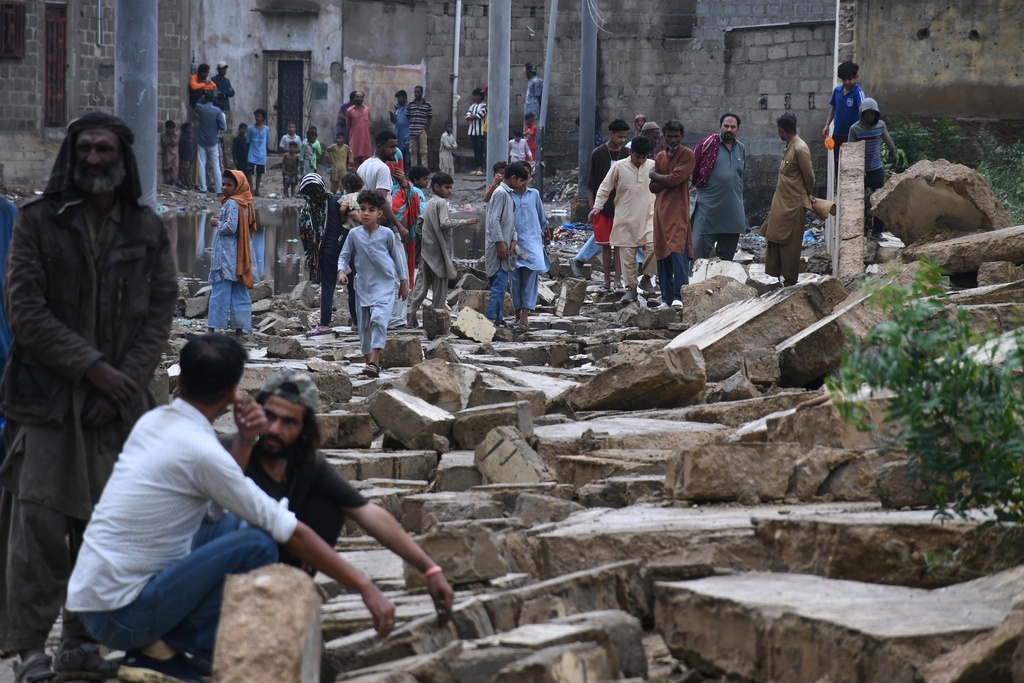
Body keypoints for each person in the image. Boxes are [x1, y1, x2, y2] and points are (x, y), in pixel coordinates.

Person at [65, 335, 410, 683]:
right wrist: (365, 587)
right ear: (233, 393)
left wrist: (245, 440)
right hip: (120, 616)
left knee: (235, 527)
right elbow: (288, 529)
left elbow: (215, 511)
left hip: (92, 599)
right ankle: (197, 646)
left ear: (180, 379)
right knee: (258, 543)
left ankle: (162, 649)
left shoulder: (155, 422)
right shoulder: (203, 451)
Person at [0, 112, 178, 683]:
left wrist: (123, 381)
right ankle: (28, 648)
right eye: (87, 149)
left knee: (104, 529)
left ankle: (79, 642)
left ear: (122, 160)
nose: (96, 159)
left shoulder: (147, 230)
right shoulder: (37, 223)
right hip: (46, 403)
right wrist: (92, 369)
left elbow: (158, 314)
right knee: (39, 528)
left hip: (118, 408)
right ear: (72, 156)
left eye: (106, 150)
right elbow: (24, 311)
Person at [338, 191, 409, 379]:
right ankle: (370, 365)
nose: (366, 213)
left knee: (378, 320)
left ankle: (374, 362)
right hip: (362, 287)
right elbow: (344, 255)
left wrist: (403, 282)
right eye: (363, 209)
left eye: (371, 210)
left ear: (379, 213)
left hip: (385, 285)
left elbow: (397, 259)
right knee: (364, 327)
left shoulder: (387, 234)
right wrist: (341, 271)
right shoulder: (354, 234)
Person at [590, 135, 657, 307]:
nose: (641, 160)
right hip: (625, 220)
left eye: (644, 157)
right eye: (637, 157)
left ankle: (647, 278)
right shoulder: (619, 167)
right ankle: (631, 288)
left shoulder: (653, 166)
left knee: (652, 247)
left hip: (648, 217)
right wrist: (598, 206)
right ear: (630, 152)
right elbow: (605, 187)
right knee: (627, 257)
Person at [408, 172, 478, 324]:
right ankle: (437, 320)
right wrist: (466, 222)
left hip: (427, 252)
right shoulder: (441, 203)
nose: (450, 191)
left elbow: (419, 224)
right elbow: (445, 223)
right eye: (447, 187)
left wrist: (427, 239)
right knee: (440, 289)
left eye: (451, 188)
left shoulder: (429, 203)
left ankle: (411, 316)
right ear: (437, 187)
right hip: (439, 253)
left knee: (421, 286)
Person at [760, 113, 816, 287]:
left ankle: (790, 281)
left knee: (790, 244)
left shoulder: (800, 148)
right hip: (781, 205)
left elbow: (810, 176)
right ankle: (774, 277)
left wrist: (808, 194)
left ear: (781, 130)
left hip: (794, 206)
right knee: (773, 236)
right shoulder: (790, 146)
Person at [581, 119, 633, 291]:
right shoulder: (599, 153)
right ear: (611, 134)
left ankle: (618, 280)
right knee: (604, 244)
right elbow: (592, 181)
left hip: (621, 206)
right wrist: (592, 202)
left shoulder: (627, 153)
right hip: (602, 206)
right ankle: (606, 281)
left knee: (618, 244)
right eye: (620, 137)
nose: (622, 140)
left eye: (625, 137)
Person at [649, 119, 695, 308]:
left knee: (677, 252)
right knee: (662, 254)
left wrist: (655, 175)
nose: (673, 140)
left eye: (676, 136)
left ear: (682, 137)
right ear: (664, 136)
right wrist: (668, 180)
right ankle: (666, 298)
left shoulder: (687, 155)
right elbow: (653, 188)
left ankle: (679, 295)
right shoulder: (660, 156)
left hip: (678, 211)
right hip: (661, 212)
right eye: (669, 136)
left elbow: (673, 178)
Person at [691, 113, 748, 261]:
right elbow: (693, 171)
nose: (729, 130)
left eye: (733, 127)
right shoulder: (708, 145)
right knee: (699, 255)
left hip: (732, 212)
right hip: (708, 209)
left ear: (738, 129)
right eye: (726, 126)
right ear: (720, 127)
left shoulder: (740, 148)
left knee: (726, 258)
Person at [208, 170, 257, 339]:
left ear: (238, 186)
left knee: (220, 293)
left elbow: (230, 227)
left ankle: (212, 330)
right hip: (241, 258)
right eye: (223, 184)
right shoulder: (246, 202)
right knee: (240, 294)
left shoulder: (231, 203)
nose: (225, 188)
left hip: (227, 258)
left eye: (229, 185)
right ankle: (239, 332)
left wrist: (216, 222)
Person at [485, 162, 528, 327]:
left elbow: (511, 221)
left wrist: (514, 238)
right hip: (498, 247)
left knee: (501, 283)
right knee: (499, 284)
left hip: (506, 245)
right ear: (513, 178)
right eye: (521, 182)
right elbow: (493, 221)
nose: (521, 185)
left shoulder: (509, 194)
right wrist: (501, 243)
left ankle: (499, 318)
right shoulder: (501, 193)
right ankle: (491, 319)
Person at [848, 98, 896, 240]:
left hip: (876, 170)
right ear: (861, 114)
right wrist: (856, 169)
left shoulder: (880, 126)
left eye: (872, 113)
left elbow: (888, 141)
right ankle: (859, 232)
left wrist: (892, 151)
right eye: (866, 113)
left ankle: (877, 232)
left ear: (876, 114)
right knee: (857, 203)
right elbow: (850, 150)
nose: (869, 116)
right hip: (860, 172)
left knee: (879, 201)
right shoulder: (855, 129)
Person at [510, 170, 550, 330]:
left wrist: (547, 237)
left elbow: (542, 219)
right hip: (513, 243)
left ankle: (524, 317)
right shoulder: (508, 195)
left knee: (530, 282)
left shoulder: (534, 194)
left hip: (532, 243)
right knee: (514, 281)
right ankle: (517, 316)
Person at [394, 165, 429, 326]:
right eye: (425, 179)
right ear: (416, 181)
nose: (427, 182)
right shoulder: (416, 192)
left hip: (409, 232)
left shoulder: (406, 191)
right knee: (411, 263)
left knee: (409, 263)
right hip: (413, 232)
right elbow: (422, 211)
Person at [822, 61, 865, 179]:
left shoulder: (858, 93)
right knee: (837, 160)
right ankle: (838, 182)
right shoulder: (837, 91)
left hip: (852, 135)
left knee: (850, 161)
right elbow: (833, 108)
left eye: (850, 79)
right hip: (838, 133)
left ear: (856, 77)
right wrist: (827, 125)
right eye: (844, 80)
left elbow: (862, 109)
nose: (847, 82)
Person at [195, 92, 227, 194]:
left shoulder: (201, 108)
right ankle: (219, 190)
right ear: (213, 100)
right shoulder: (217, 110)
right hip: (213, 140)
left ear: (205, 99)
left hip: (201, 139)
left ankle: (203, 188)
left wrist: (202, 97)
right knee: (216, 166)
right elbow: (222, 126)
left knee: (202, 163)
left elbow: (196, 104)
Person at [211, 62, 235, 168]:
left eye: (225, 69)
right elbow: (216, 94)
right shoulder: (214, 80)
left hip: (226, 108)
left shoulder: (227, 81)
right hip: (217, 108)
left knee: (226, 134)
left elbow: (232, 93)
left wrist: (224, 92)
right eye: (222, 69)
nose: (224, 71)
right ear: (218, 70)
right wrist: (225, 92)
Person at [407, 86, 433, 168]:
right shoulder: (410, 104)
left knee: (423, 151)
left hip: (422, 130)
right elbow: (408, 116)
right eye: (415, 92)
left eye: (418, 92)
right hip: (412, 130)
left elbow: (430, 117)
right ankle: (414, 168)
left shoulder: (427, 104)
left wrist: (426, 129)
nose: (416, 94)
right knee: (413, 151)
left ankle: (424, 168)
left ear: (422, 93)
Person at [247, 108, 269, 197]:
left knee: (259, 173)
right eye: (256, 116)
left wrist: (264, 152)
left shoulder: (266, 129)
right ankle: (250, 189)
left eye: (259, 116)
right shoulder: (250, 129)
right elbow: (248, 141)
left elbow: (267, 142)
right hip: (252, 153)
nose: (257, 118)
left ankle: (257, 190)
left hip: (261, 154)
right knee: (249, 171)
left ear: (263, 118)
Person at [346, 91, 372, 167]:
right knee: (354, 159)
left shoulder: (367, 110)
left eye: (361, 97)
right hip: (355, 140)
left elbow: (368, 124)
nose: (359, 99)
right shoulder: (349, 110)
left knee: (366, 160)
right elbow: (348, 126)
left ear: (363, 98)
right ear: (354, 98)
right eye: (357, 97)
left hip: (365, 140)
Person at [465, 87, 487, 175]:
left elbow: (479, 115)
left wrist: (472, 116)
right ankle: (477, 167)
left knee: (480, 149)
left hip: (480, 132)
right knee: (475, 150)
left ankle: (480, 168)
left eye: (476, 96)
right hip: (472, 132)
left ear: (480, 96)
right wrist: (473, 116)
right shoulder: (472, 106)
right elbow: (467, 116)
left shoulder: (484, 106)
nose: (474, 98)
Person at [178, 122, 196, 189]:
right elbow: (180, 147)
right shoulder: (184, 138)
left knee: (189, 171)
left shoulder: (189, 138)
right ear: (185, 130)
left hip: (189, 157)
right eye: (189, 129)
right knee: (185, 170)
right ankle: (187, 183)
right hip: (185, 157)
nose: (191, 130)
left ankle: (191, 183)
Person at [161, 120, 179, 185]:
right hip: (168, 153)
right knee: (167, 167)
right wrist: (169, 137)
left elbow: (175, 143)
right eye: (170, 128)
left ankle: (174, 182)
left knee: (175, 168)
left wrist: (172, 137)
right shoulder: (164, 134)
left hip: (175, 153)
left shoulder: (175, 134)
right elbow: (165, 143)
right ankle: (170, 181)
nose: (172, 130)